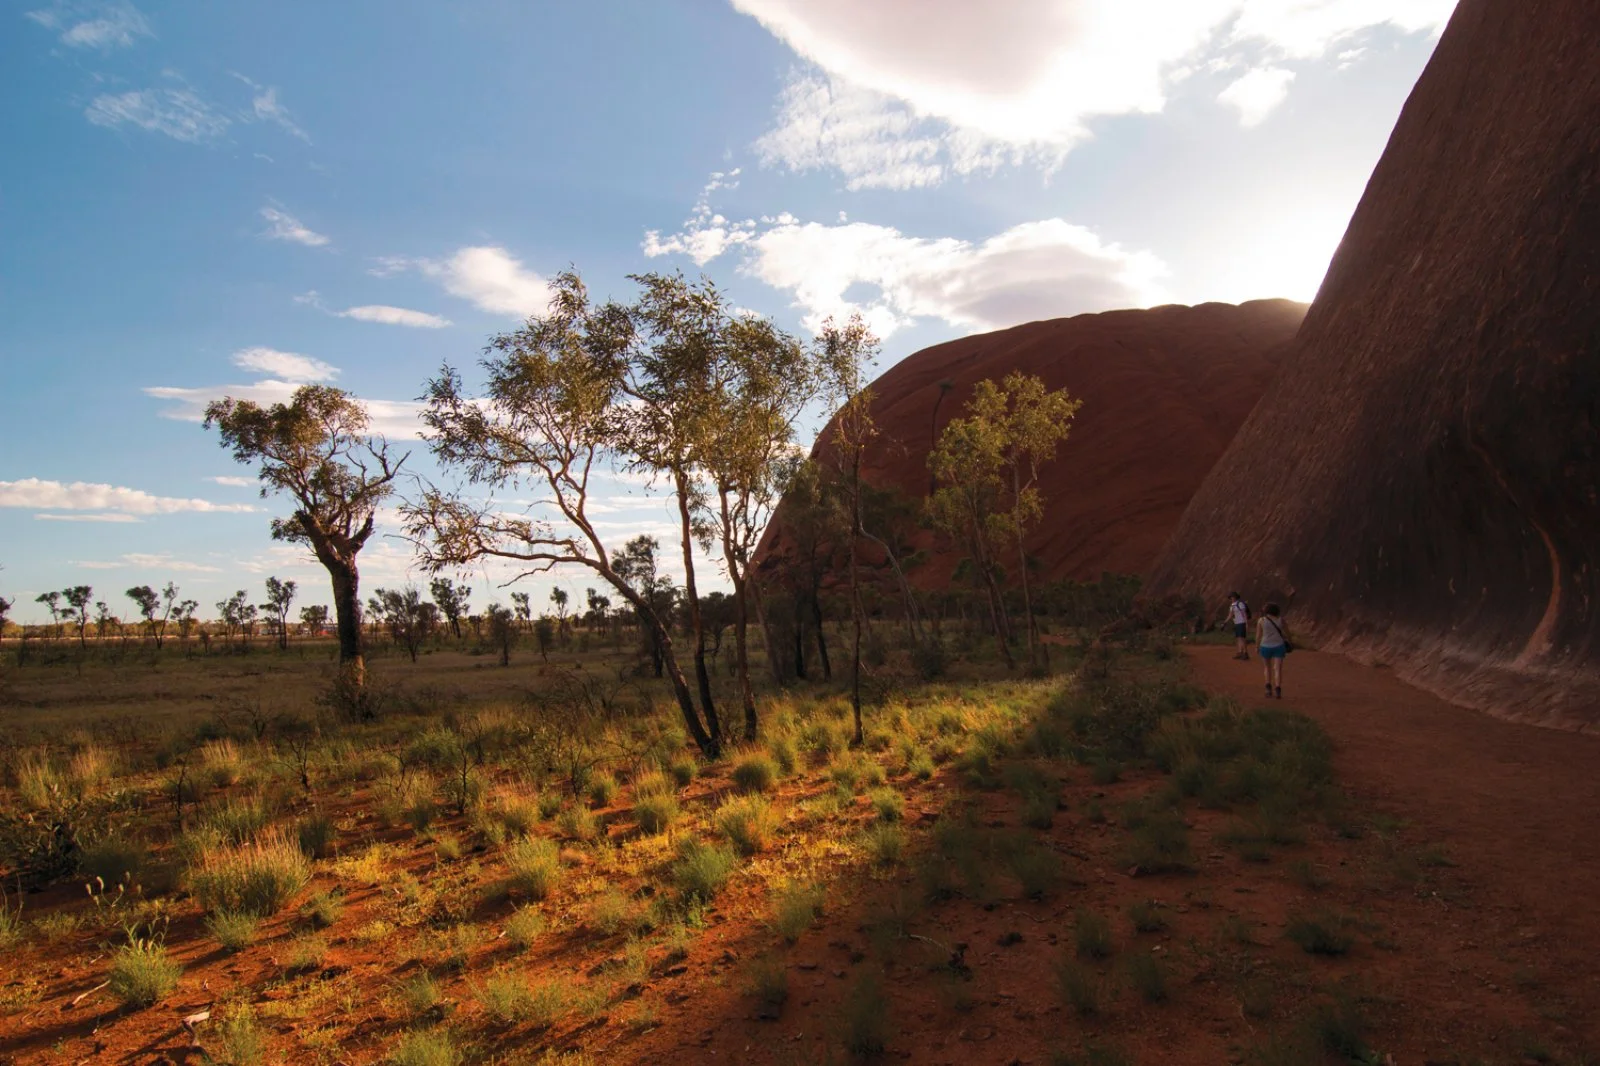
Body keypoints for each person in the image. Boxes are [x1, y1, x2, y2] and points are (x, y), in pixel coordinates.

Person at [1257, 603, 1289, 698]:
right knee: (1278, 668)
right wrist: (1290, 641)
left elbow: (1258, 636)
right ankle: (1278, 689)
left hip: (1265, 645)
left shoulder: (1261, 620)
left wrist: (1256, 646)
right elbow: (1287, 632)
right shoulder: (1281, 620)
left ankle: (1268, 688)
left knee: (1267, 667)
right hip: (1279, 645)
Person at [1222, 592, 1251, 660]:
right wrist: (1225, 622)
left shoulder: (1240, 604)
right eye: (1230, 597)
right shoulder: (1232, 605)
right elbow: (1230, 615)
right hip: (1237, 623)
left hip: (1242, 622)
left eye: (1232, 597)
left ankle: (1245, 653)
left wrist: (1246, 623)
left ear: (1235, 597)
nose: (1231, 598)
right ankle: (1240, 652)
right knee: (1238, 638)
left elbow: (1244, 614)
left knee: (1242, 638)